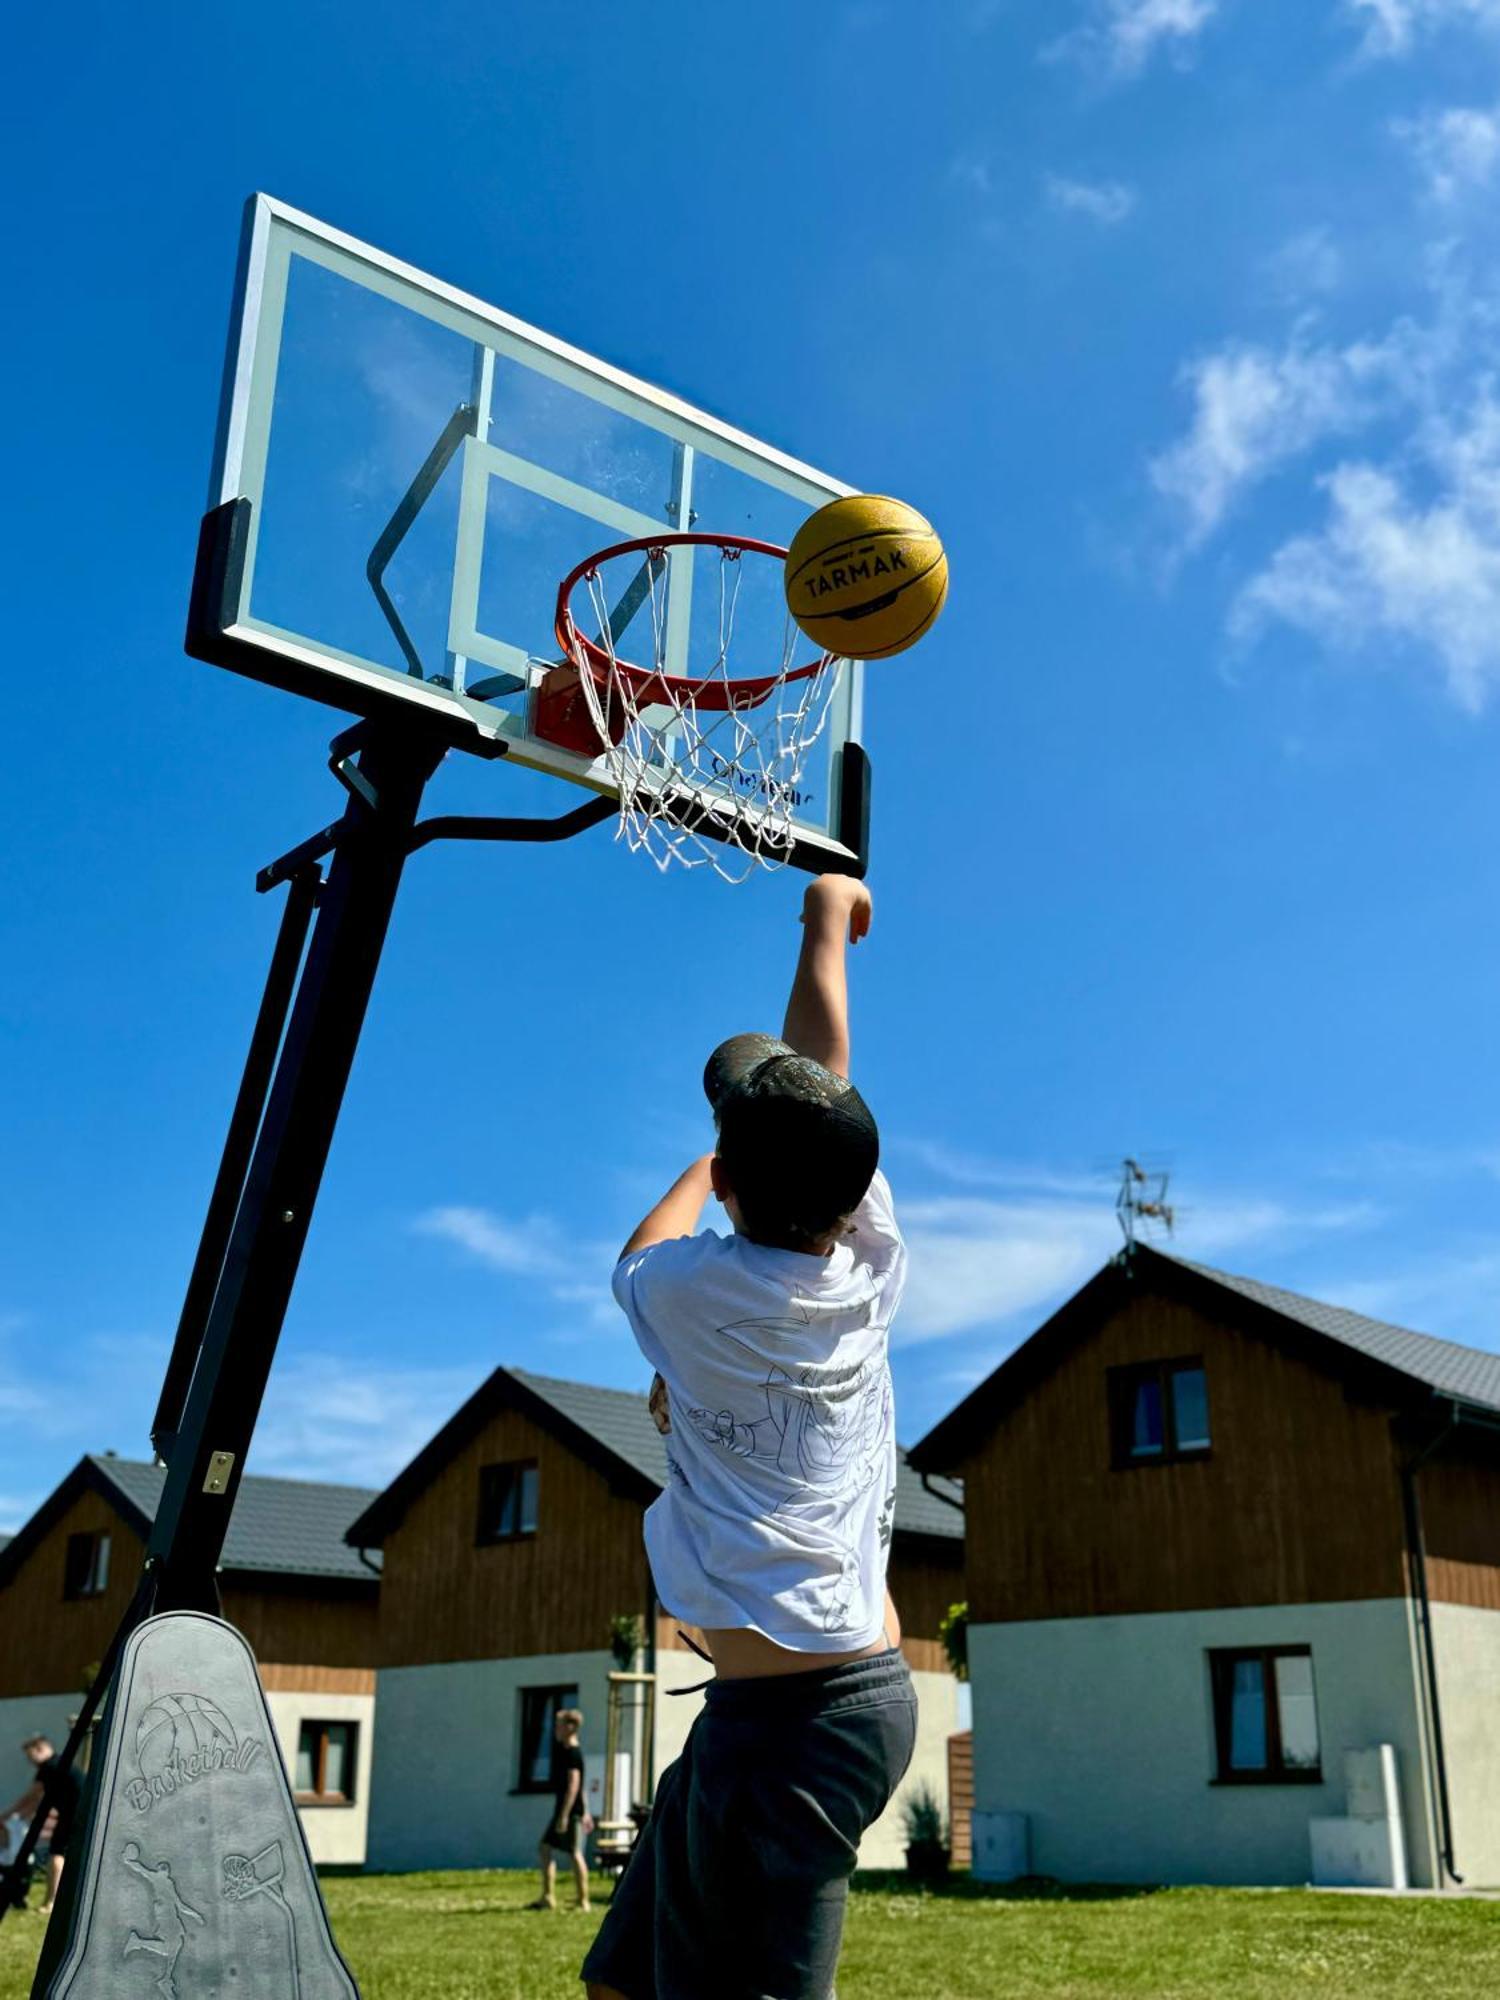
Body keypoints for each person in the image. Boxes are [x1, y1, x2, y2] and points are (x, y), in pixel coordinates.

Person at [582, 873, 917, 2000]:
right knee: (624, 1978)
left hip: (812, 1720)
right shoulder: (869, 1266)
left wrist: (706, 1165)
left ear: (726, 1180)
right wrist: (827, 923)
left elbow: (640, 1247)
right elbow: (831, 1081)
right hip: (776, 1709)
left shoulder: (681, 1292)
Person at [2, 1734, 82, 1916]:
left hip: (73, 1813)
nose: (30, 1761)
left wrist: (5, 1816)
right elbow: (37, 1801)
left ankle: (52, 1901)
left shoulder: (49, 1767)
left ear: (39, 1749)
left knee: (56, 1854)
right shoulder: (61, 1764)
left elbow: (31, 1796)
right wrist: (21, 1817)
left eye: (30, 1756)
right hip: (80, 1813)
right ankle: (57, 1900)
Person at [530, 1707, 591, 1913]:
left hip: (569, 1812)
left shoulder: (573, 1753)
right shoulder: (563, 1750)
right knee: (545, 1848)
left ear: (571, 1727)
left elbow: (575, 1785)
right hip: (563, 1811)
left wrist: (566, 1816)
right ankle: (547, 1897)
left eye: (559, 1725)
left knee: (574, 1853)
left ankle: (584, 1901)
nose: (556, 1729)